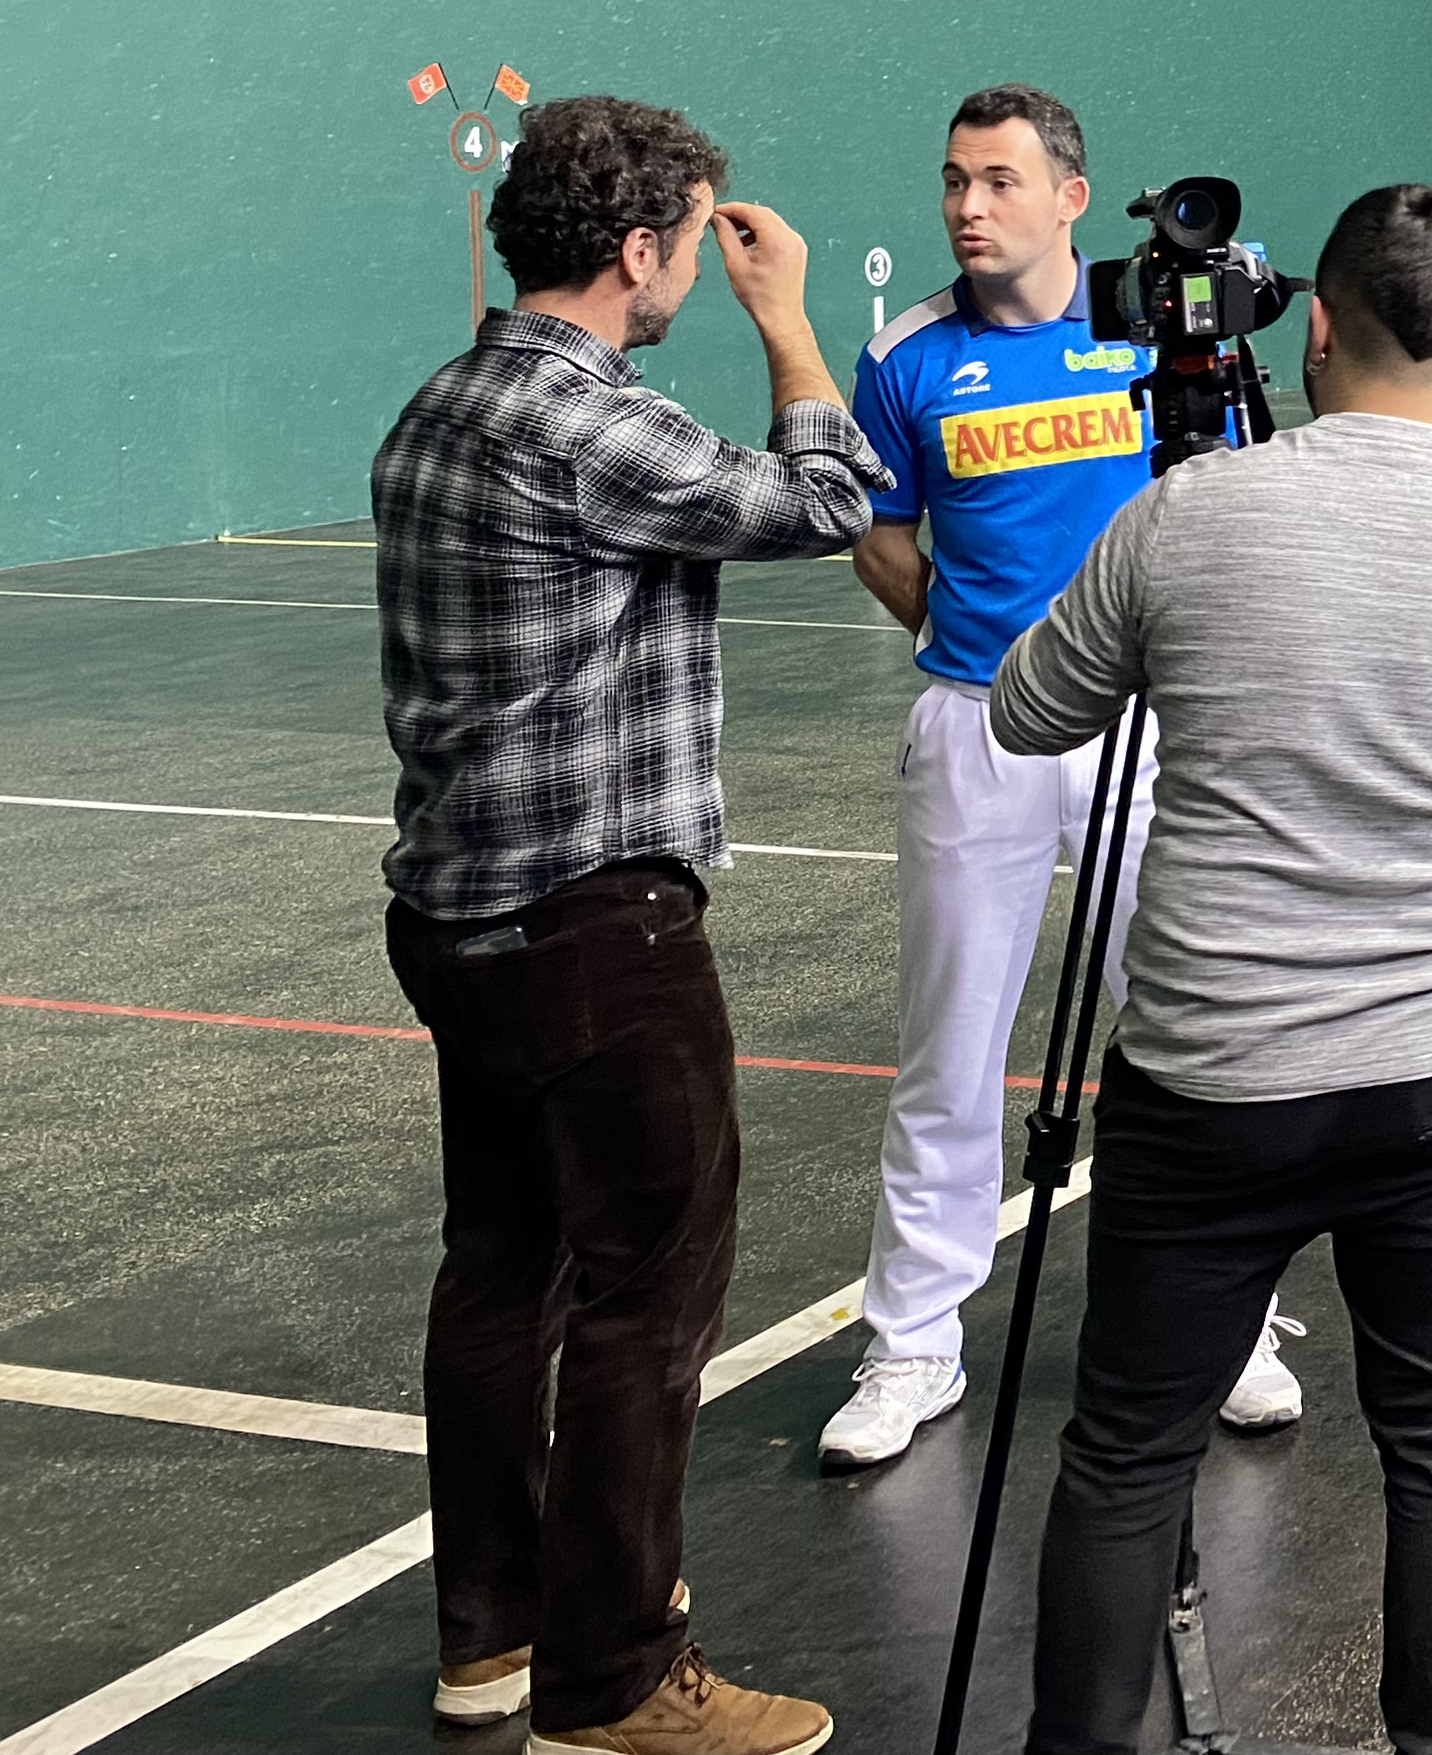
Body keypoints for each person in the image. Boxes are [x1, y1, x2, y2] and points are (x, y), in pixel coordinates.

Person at [991, 185, 1432, 1755]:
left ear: (1318, 327)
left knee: (1130, 1452)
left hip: (1214, 1079)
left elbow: (1028, 711)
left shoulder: (1185, 515)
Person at [376, 97, 879, 1755]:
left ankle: (490, 1640)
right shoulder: (588, 420)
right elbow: (825, 500)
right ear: (643, 247)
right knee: (648, 1296)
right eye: (693, 240)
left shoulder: (437, 405)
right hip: (595, 925)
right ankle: (615, 1682)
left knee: (500, 1273)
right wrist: (787, 318)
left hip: (457, 913)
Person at [822, 86, 1292, 1471]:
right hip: (980, 728)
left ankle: (1225, 1328)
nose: (968, 208)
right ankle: (914, 1343)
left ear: (1073, 197)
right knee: (951, 1045)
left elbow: (1247, 507)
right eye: (953, 181)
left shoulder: (1166, 329)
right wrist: (976, 644)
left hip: (1159, 729)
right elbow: (882, 533)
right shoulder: (906, 357)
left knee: (1198, 1035)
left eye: (999, 181)